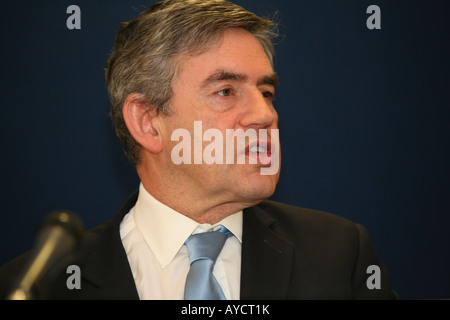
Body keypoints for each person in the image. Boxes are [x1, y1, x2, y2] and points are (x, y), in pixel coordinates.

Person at [0, 0, 397, 300]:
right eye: (225, 91)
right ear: (147, 121)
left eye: (267, 92)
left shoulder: (339, 255)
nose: (264, 115)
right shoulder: (39, 285)